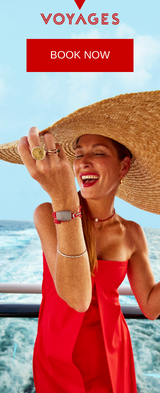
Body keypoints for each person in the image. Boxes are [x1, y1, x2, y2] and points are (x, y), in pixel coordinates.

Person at [0, 91, 160, 393]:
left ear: (123, 167)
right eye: (78, 153)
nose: (84, 162)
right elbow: (77, 298)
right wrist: (62, 197)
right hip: (57, 353)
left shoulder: (133, 233)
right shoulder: (49, 214)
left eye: (98, 153)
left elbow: (151, 306)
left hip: (112, 352)